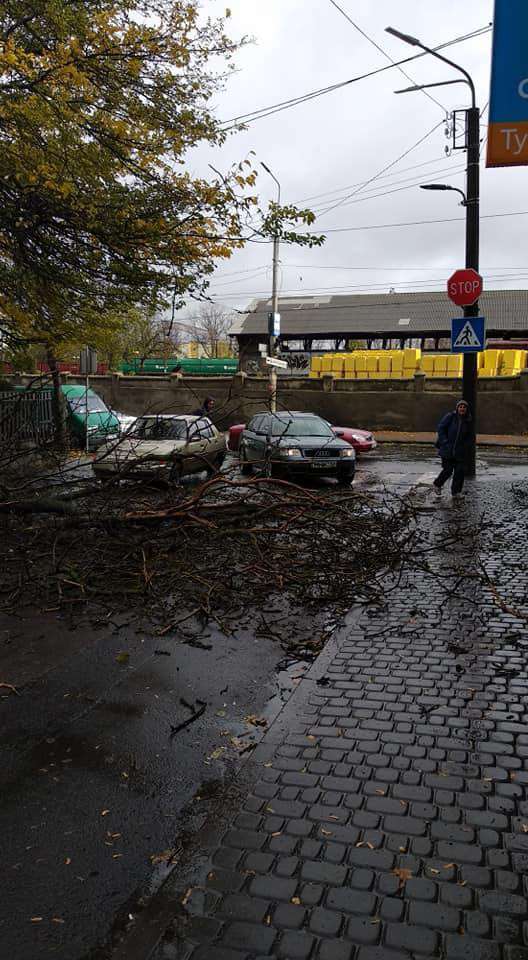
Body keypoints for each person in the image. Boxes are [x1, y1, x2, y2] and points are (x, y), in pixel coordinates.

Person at [433, 400, 473, 499]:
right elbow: (441, 428)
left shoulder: (468, 420)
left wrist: (466, 447)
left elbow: (469, 436)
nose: (462, 409)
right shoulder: (450, 416)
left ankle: (456, 492)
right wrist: (444, 441)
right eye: (460, 407)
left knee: (460, 471)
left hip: (460, 451)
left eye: (464, 407)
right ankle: (437, 484)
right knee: (448, 470)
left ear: (466, 409)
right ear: (457, 408)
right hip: (447, 449)